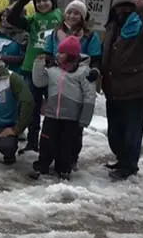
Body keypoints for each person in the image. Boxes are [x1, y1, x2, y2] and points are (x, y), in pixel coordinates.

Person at [101, 0, 143, 180]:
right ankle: (122, 158)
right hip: (113, 88)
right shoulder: (113, 27)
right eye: (120, 9)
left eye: (128, 9)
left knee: (132, 132)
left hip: (135, 89)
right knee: (115, 132)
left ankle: (129, 165)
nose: (123, 13)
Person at [28, 36, 96, 181]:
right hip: (52, 113)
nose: (58, 55)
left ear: (71, 54)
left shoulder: (83, 72)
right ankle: (43, 165)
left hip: (71, 116)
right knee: (46, 141)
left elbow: (89, 96)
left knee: (67, 144)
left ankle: (64, 168)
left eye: (62, 53)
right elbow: (39, 82)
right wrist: (39, 63)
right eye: (58, 52)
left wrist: (85, 118)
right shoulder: (53, 69)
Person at [4, 0, 63, 154]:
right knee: (32, 107)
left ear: (53, 2)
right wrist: (22, 1)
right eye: (38, 1)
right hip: (31, 67)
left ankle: (50, 143)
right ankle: (32, 142)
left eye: (46, 0)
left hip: (54, 69)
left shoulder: (60, 17)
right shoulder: (33, 19)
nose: (42, 4)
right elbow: (12, 19)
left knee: (53, 110)